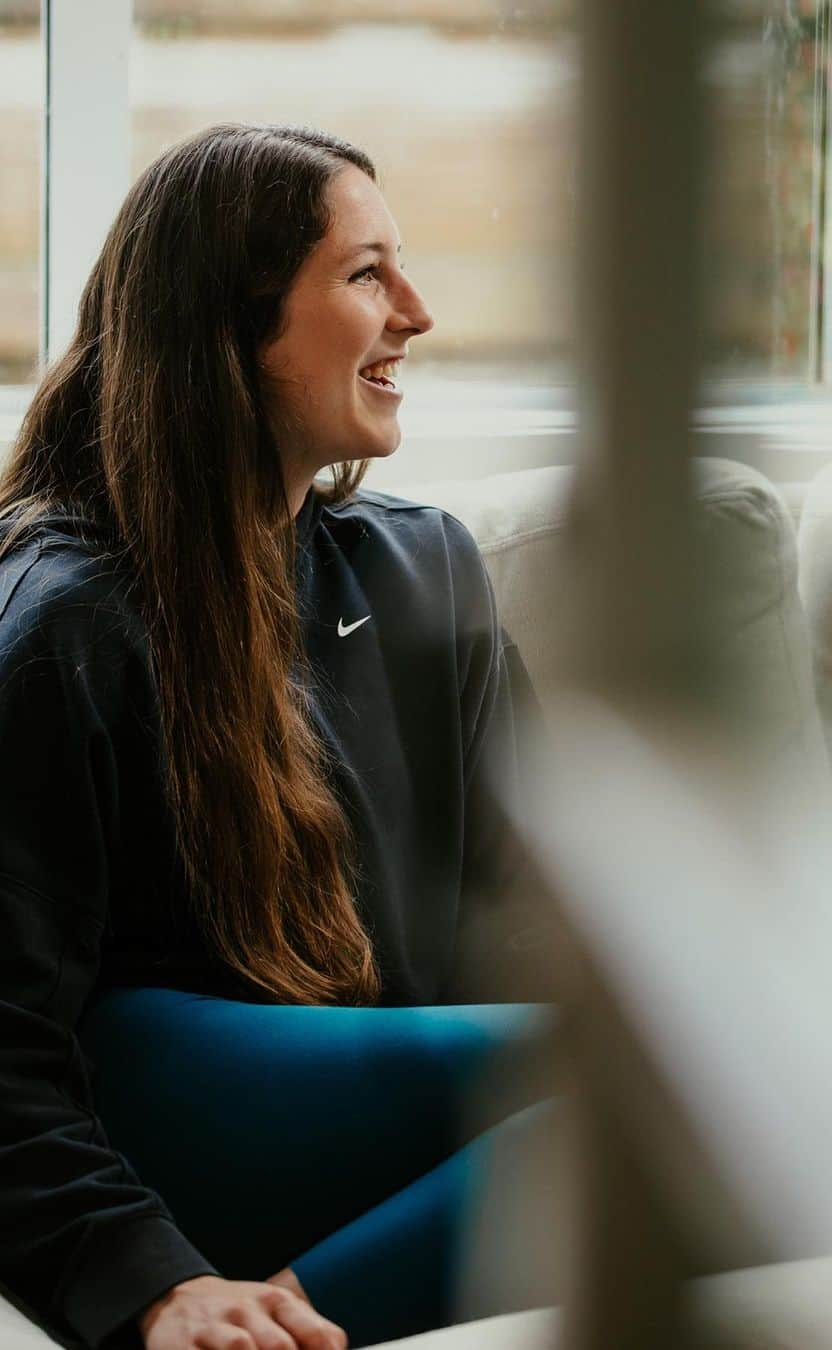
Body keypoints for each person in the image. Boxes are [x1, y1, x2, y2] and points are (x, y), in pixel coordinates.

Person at [0, 123, 554, 1350]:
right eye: (366, 275)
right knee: (637, 1088)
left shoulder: (429, 567)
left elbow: (529, 905)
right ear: (230, 332)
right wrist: (149, 1279)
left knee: (696, 1092)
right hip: (156, 1121)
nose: (416, 310)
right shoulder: (67, 625)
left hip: (375, 1097)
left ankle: (286, 1324)